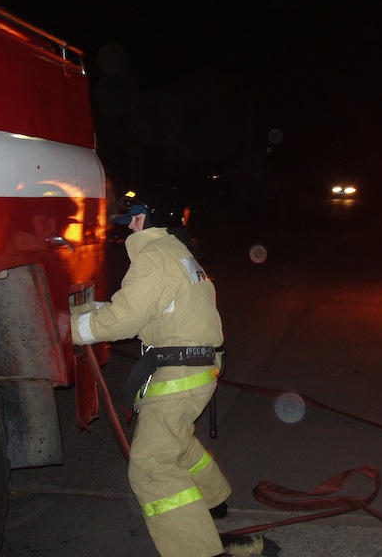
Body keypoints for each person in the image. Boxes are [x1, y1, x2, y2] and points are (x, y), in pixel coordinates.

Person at [70, 187, 277, 557]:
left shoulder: (154, 257)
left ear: (153, 219)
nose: (129, 226)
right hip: (199, 367)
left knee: (151, 464)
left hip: (179, 371)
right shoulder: (177, 253)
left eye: (136, 217)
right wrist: (91, 313)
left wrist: (70, 328)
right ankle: (214, 499)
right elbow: (146, 308)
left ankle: (198, 550)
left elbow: (124, 318)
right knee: (175, 439)